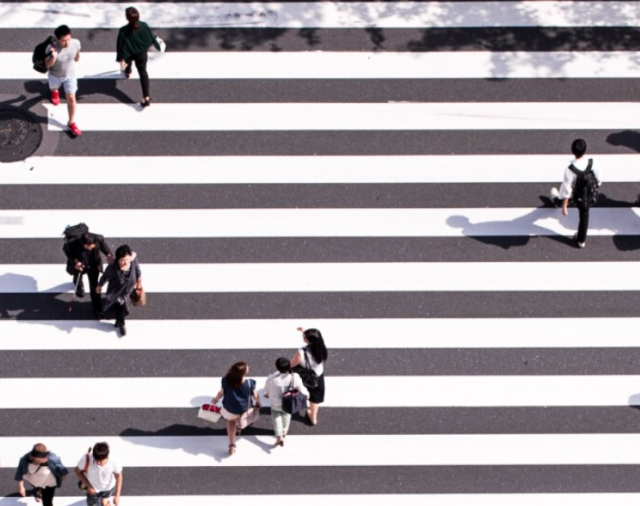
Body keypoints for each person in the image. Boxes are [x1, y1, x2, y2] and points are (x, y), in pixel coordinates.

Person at [550, 138, 601, 248]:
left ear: (572, 151)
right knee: (584, 216)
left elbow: (567, 190)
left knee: (564, 198)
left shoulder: (570, 170)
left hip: (577, 194)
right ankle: (581, 240)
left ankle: (556, 202)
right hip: (589, 195)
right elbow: (598, 178)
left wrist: (564, 206)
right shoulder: (593, 162)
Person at [211, 361, 261, 456]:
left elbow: (221, 393)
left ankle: (232, 445)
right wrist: (258, 403)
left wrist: (215, 400)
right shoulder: (249, 383)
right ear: (244, 373)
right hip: (244, 408)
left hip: (230, 408)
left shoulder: (226, 381)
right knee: (242, 420)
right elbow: (255, 395)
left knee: (231, 422)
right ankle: (239, 428)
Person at [116, 7, 161, 107]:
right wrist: (157, 46)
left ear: (127, 18)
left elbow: (120, 46)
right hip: (141, 53)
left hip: (129, 53)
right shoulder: (144, 25)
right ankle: (146, 97)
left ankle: (128, 71)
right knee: (143, 73)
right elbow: (151, 37)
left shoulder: (123, 31)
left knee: (128, 63)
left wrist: (121, 58)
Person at [64, 232, 114, 316]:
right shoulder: (74, 243)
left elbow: (104, 246)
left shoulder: (98, 238)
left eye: (93, 245)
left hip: (93, 265)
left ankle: (97, 308)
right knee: (78, 276)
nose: (92, 247)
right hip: (81, 264)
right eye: (89, 246)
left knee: (94, 285)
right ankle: (78, 283)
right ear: (83, 244)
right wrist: (75, 262)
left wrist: (108, 254)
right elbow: (67, 251)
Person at [44, 24, 82, 136]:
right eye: (63, 41)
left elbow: (77, 56)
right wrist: (53, 56)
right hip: (55, 75)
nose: (67, 43)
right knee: (54, 87)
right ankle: (54, 92)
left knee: (71, 98)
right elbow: (47, 65)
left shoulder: (76, 43)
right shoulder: (51, 48)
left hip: (70, 75)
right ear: (57, 39)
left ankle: (71, 122)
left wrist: (77, 57)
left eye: (68, 39)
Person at [97, 244, 142, 337]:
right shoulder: (112, 268)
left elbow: (137, 270)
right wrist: (99, 285)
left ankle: (119, 320)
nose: (125, 262)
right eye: (122, 260)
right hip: (116, 291)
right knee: (121, 305)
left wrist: (139, 281)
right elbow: (105, 277)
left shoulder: (133, 262)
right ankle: (121, 323)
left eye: (127, 259)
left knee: (122, 304)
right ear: (117, 259)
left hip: (128, 291)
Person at [264, 357, 308, 447]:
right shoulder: (294, 377)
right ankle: (285, 430)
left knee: (276, 417)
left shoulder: (271, 378)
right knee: (287, 415)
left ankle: (279, 436)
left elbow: (266, 391)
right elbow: (302, 389)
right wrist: (306, 394)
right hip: (288, 402)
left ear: (277, 367)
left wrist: (266, 394)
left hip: (275, 403)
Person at [290, 327, 328, 426]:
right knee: (315, 397)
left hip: (303, 376)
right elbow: (315, 339)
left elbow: (292, 364)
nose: (303, 337)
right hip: (317, 375)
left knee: (297, 389)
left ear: (308, 340)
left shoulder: (302, 352)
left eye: (304, 336)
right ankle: (313, 417)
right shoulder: (322, 348)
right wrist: (305, 331)